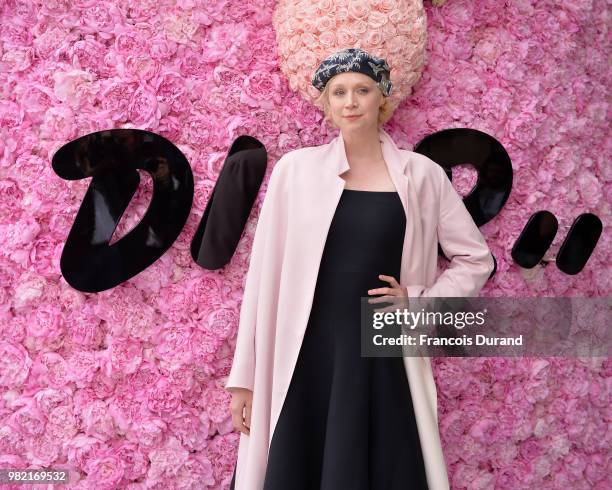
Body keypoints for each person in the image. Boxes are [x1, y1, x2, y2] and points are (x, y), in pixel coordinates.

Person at [226, 48, 494, 490]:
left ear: (381, 98)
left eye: (362, 90)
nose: (350, 102)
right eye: (339, 92)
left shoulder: (422, 175)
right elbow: (262, 281)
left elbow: (475, 258)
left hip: (381, 352)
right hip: (304, 352)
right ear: (327, 104)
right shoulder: (295, 171)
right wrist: (244, 379)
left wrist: (419, 302)